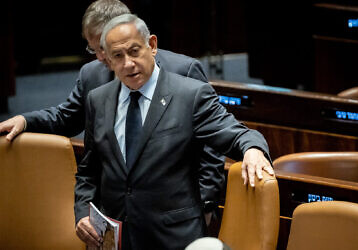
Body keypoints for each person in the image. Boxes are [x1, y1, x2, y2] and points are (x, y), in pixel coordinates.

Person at [0, 0, 224, 224]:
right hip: (118, 212)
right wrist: (25, 120)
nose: (99, 57)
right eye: (93, 49)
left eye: (102, 48)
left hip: (176, 211)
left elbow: (211, 143)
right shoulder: (92, 74)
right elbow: (66, 118)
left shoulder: (183, 70)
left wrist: (205, 203)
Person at [74, 13, 274, 250]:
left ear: (152, 46)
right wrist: (82, 212)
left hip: (174, 238)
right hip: (117, 240)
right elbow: (88, 171)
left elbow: (237, 134)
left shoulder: (190, 95)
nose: (128, 63)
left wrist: (252, 148)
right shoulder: (98, 99)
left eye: (134, 51)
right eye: (118, 56)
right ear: (107, 59)